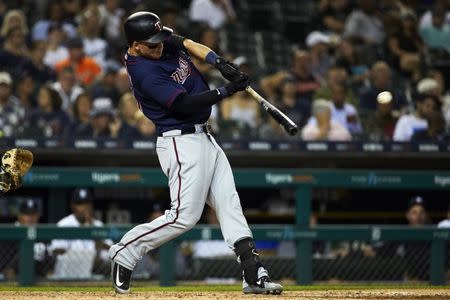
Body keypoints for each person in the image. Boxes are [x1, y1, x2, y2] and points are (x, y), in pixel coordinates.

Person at [109, 11, 283, 295]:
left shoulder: (159, 42)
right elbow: (184, 105)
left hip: (205, 137)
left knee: (229, 204)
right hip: (180, 142)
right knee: (183, 217)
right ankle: (124, 252)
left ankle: (253, 274)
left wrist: (219, 62)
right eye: (151, 44)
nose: (160, 46)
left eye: (160, 39)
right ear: (135, 45)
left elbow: (188, 43)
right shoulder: (143, 71)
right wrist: (227, 90)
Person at [49, 188, 112, 279]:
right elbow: (57, 251)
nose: (84, 207)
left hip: (91, 277)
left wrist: (93, 232)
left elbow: (109, 254)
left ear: (91, 205)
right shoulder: (64, 224)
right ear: (72, 206)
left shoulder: (99, 226)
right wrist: (86, 259)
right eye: (80, 203)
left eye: (87, 203)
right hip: (65, 277)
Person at [0, 199, 55, 280]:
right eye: (27, 214)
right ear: (19, 216)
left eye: (33, 214)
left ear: (38, 216)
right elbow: (6, 269)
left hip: (39, 280)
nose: (30, 218)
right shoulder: (10, 234)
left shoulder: (43, 235)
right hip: (11, 280)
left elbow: (49, 269)